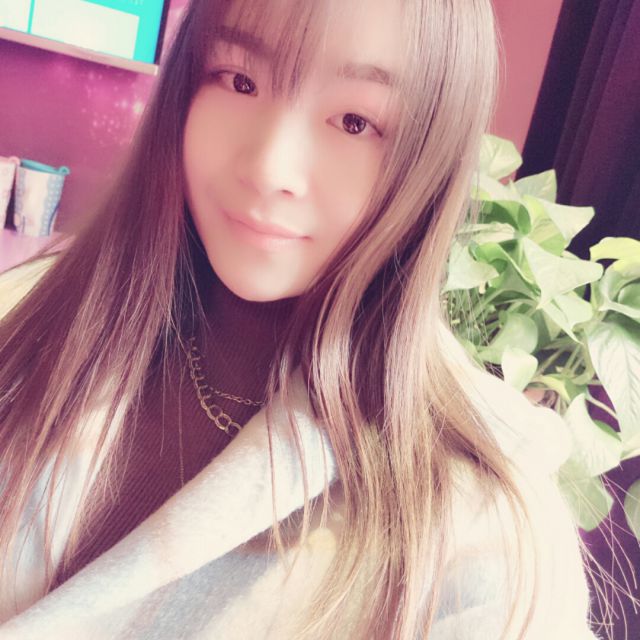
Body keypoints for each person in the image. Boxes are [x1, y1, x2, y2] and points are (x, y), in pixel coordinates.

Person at [0, 0, 598, 638]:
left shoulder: (481, 537)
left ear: (432, 160)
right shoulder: (36, 312)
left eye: (355, 121)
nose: (268, 168)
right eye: (240, 80)